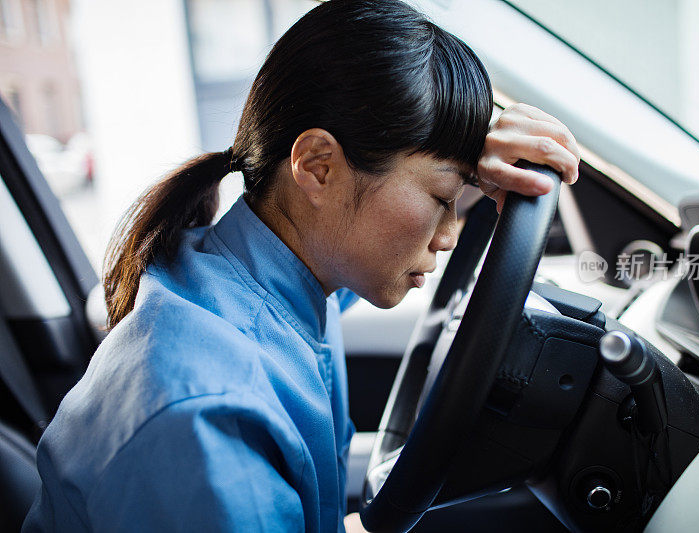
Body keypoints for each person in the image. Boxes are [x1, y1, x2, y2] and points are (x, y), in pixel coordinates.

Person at [23, 1, 580, 532]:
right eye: (441, 198)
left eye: (462, 200)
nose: (449, 235)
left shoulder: (258, 278)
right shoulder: (209, 422)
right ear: (316, 166)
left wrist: (465, 154)